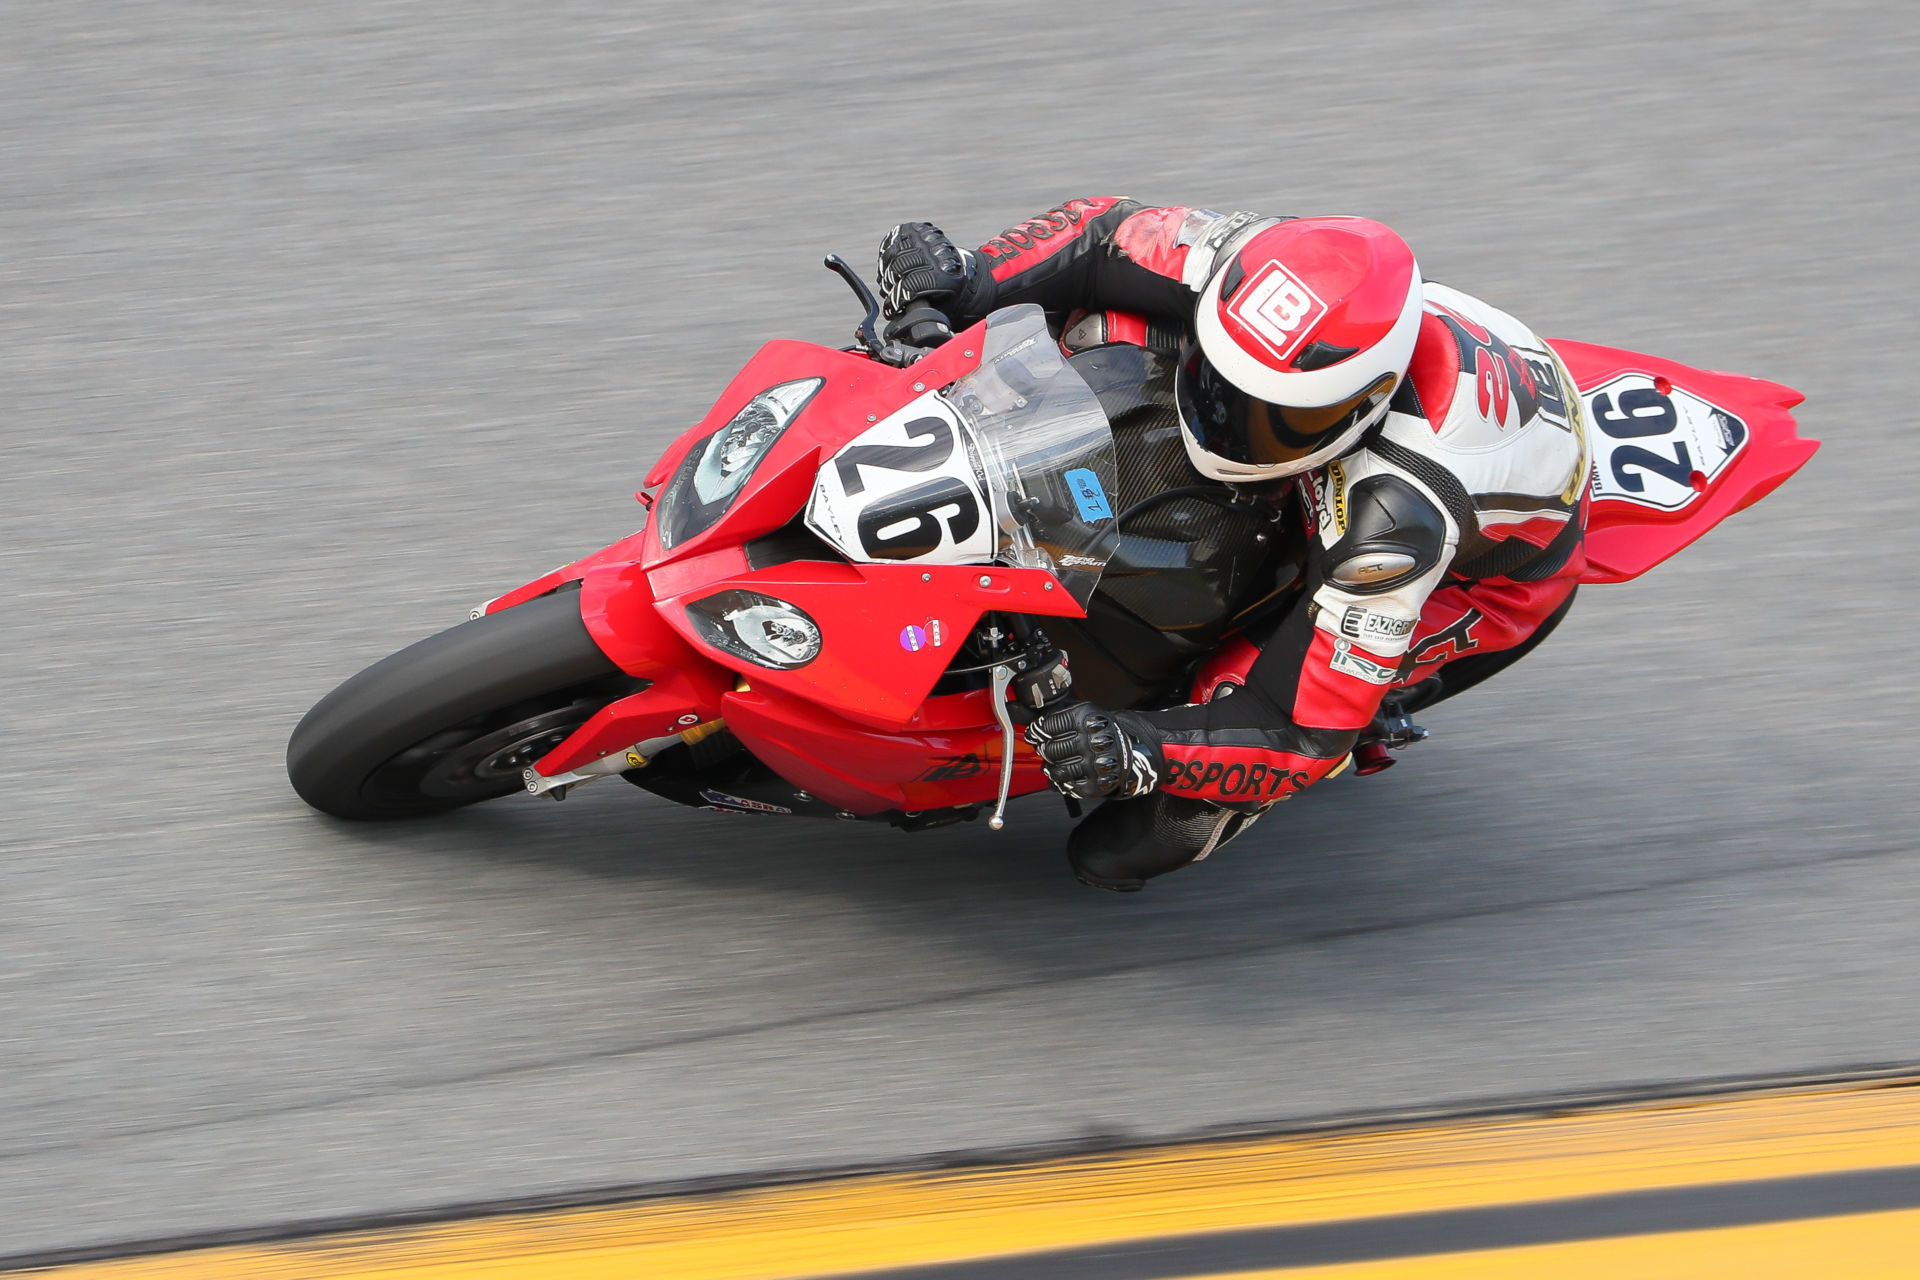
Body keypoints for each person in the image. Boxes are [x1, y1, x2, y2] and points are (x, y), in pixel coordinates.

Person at [876, 200, 1590, 891]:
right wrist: (971, 278)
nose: (1224, 423)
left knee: (1129, 841)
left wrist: (1139, 748)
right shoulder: (1254, 264)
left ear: (1359, 407)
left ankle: (1217, 810)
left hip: (1481, 584)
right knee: (1107, 323)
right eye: (1218, 382)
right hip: (1368, 426)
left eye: (1267, 418)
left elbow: (1301, 731)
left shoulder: (1395, 521)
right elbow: (1105, 234)